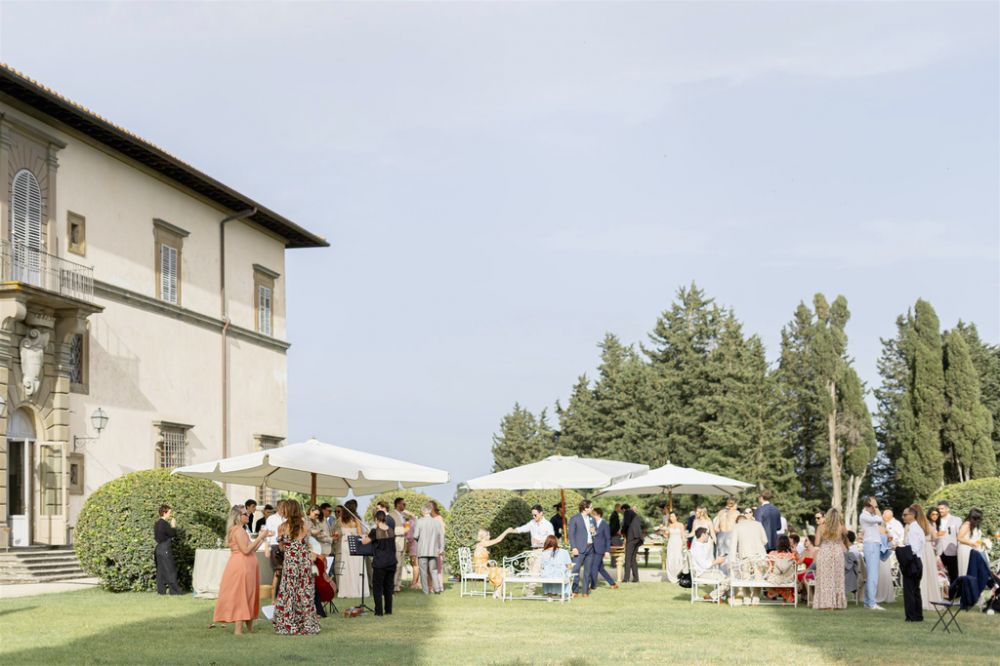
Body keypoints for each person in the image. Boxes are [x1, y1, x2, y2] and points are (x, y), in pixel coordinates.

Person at [214, 505, 270, 634]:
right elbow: (245, 550)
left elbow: (252, 548)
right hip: (241, 566)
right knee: (241, 596)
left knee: (249, 595)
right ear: (238, 517)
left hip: (247, 565)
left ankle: (249, 629)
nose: (248, 515)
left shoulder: (240, 530)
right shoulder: (238, 530)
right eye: (245, 514)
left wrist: (263, 538)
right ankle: (238, 631)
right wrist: (260, 537)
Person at [272, 500, 320, 635]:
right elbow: (308, 542)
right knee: (305, 593)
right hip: (304, 562)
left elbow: (281, 547)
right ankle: (307, 624)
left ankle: (289, 624)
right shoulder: (305, 524)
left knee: (289, 593)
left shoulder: (281, 527)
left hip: (291, 563)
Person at [362, 510, 397, 616]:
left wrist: (364, 536)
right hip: (391, 562)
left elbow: (365, 542)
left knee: (377, 588)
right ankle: (388, 610)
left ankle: (379, 612)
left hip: (380, 563)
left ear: (376, 519)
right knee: (388, 587)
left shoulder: (375, 531)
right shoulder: (391, 530)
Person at [812, 507, 848, 610]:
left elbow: (817, 543)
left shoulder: (821, 527)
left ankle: (826, 604)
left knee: (825, 579)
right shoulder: (841, 526)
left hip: (825, 552)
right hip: (837, 552)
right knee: (837, 578)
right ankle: (837, 603)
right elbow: (846, 534)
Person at [729, 513, 767, 604]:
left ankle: (746, 598)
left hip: (745, 555)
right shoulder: (758, 524)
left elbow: (733, 544)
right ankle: (756, 598)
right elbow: (765, 540)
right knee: (758, 578)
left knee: (745, 577)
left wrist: (732, 559)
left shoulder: (737, 526)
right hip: (759, 555)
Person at [911, 503, 943, 610]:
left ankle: (919, 599)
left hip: (918, 549)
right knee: (929, 573)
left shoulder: (912, 524)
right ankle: (931, 598)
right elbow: (935, 537)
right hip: (928, 549)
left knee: (920, 573)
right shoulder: (928, 524)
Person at [896, 505, 925, 622]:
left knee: (910, 590)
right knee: (916, 590)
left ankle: (911, 616)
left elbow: (912, 549)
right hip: (918, 562)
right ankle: (918, 615)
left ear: (912, 515)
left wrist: (898, 549)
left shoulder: (913, 529)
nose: (903, 517)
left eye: (905, 515)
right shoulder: (917, 528)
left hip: (912, 562)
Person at [858, 496, 885, 611]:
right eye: (874, 505)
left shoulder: (870, 516)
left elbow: (881, 523)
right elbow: (881, 520)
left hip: (874, 545)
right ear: (869, 505)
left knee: (873, 575)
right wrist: (876, 507)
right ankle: (872, 603)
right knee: (873, 575)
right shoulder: (864, 515)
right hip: (871, 545)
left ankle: (868, 602)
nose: (876, 507)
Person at [413, 503, 444, 594]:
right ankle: (437, 589)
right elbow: (441, 536)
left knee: (423, 571)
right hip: (433, 550)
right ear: (430, 511)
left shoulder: (419, 521)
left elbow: (415, 535)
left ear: (423, 511)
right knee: (434, 570)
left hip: (422, 550)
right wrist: (441, 548)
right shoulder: (436, 522)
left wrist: (420, 540)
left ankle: (426, 591)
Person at [336, 500, 364, 598]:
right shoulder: (356, 519)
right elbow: (360, 534)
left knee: (346, 568)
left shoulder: (341, 519)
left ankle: (346, 591)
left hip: (344, 544)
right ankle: (356, 590)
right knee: (356, 567)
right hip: (354, 543)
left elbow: (337, 532)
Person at [568, 499, 596, 597]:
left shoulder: (591, 519)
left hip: (590, 547)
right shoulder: (574, 519)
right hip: (579, 549)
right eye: (591, 507)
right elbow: (571, 535)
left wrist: (593, 532)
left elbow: (594, 533)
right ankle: (575, 591)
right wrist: (573, 547)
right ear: (585, 508)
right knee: (575, 570)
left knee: (588, 571)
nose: (592, 509)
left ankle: (585, 592)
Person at [474, 528, 511, 598]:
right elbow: (498, 540)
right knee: (502, 571)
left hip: (484, 568)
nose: (489, 536)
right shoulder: (482, 543)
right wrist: (506, 531)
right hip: (481, 569)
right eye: (488, 535)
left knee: (502, 571)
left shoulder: (481, 544)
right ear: (484, 536)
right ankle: (498, 593)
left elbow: (481, 559)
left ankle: (498, 592)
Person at [154, 504, 182, 595]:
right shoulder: (165, 524)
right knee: (170, 569)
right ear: (164, 513)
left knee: (161, 570)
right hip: (165, 548)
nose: (170, 514)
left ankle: (161, 591)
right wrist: (173, 526)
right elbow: (172, 534)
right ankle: (174, 591)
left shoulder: (157, 523)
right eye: (169, 512)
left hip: (158, 548)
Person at [589, 507, 618, 590]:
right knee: (600, 568)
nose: (592, 516)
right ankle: (612, 584)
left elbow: (608, 538)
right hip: (592, 548)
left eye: (593, 514)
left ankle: (593, 586)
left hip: (600, 549)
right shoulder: (592, 523)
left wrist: (607, 551)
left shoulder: (604, 524)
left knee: (594, 567)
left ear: (598, 515)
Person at [264, 499, 287, 596]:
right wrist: (266, 548)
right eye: (282, 507)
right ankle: (274, 596)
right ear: (278, 507)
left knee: (286, 571)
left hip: (286, 546)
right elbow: (266, 534)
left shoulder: (287, 519)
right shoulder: (271, 518)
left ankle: (284, 594)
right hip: (275, 546)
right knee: (277, 571)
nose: (284, 509)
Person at [390, 497, 413, 592]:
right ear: (398, 504)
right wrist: (403, 530)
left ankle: (397, 585)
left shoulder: (403, 516)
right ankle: (393, 585)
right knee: (396, 565)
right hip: (396, 542)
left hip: (403, 542)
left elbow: (408, 526)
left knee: (401, 565)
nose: (405, 506)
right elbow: (390, 529)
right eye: (403, 504)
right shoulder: (391, 515)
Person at [767, 534, 797, 604]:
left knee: (770, 577)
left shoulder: (772, 554)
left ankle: (774, 592)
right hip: (788, 579)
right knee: (787, 575)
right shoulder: (791, 555)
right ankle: (785, 597)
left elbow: (768, 567)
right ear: (788, 544)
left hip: (775, 579)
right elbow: (795, 569)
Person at [957, 508, 985, 578]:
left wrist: (982, 542)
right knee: (966, 569)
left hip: (973, 549)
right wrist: (971, 543)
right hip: (965, 550)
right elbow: (959, 538)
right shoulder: (967, 524)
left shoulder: (975, 525)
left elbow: (975, 538)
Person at [661, 511, 687, 584]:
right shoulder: (669, 525)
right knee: (670, 560)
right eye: (670, 516)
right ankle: (671, 577)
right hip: (671, 544)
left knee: (678, 560)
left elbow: (683, 535)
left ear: (676, 517)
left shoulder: (680, 525)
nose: (671, 518)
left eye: (672, 516)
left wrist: (684, 544)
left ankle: (678, 576)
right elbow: (666, 536)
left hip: (678, 544)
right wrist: (662, 531)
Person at [622, 504, 642, 584]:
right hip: (638, 538)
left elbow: (626, 524)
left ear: (624, 509)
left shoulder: (627, 512)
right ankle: (636, 578)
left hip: (631, 538)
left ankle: (626, 579)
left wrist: (622, 531)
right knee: (633, 559)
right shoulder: (635, 515)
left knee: (627, 558)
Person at [430, 500, 446, 586]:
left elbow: (442, 533)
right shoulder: (429, 519)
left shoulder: (439, 518)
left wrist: (441, 548)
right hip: (430, 546)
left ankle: (439, 585)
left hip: (437, 546)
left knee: (438, 567)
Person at [843, 531, 860, 598]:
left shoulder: (852, 551)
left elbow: (848, 566)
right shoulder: (851, 549)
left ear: (846, 539)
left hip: (850, 574)